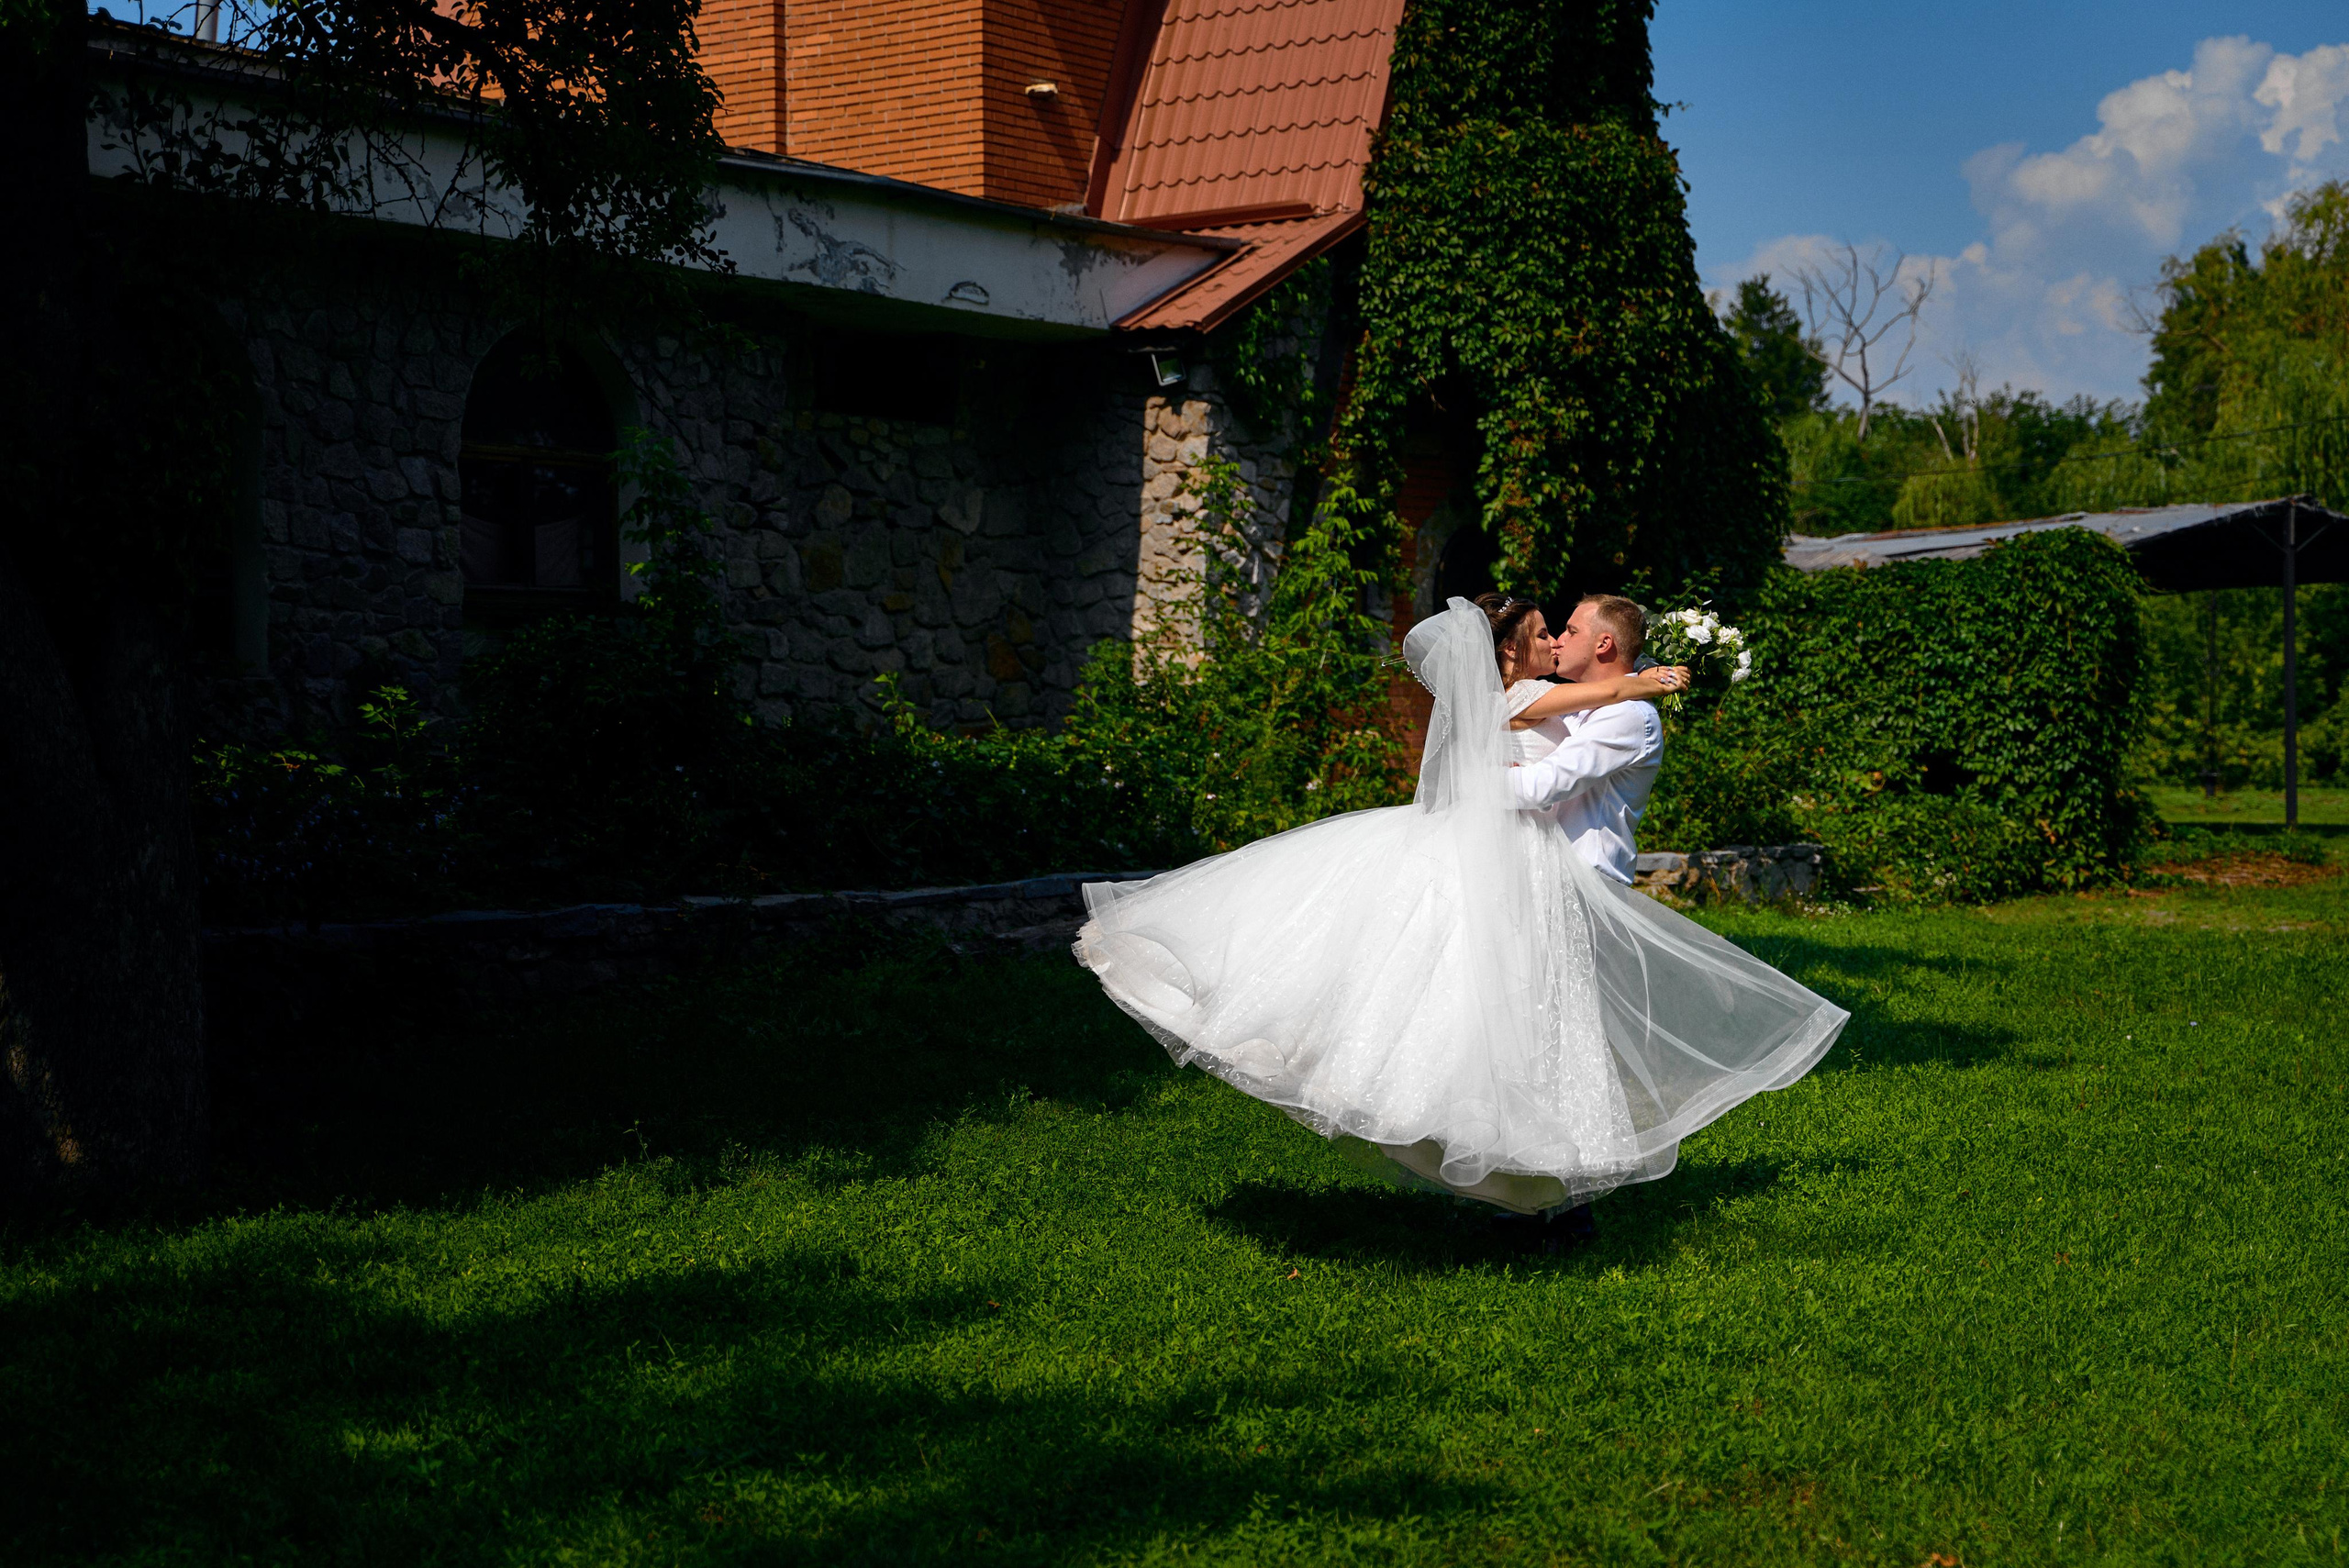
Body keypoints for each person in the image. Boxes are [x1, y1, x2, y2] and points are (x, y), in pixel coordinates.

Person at [1074, 596, 1847, 1242]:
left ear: (1601, 643)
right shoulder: (1551, 699)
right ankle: (1536, 1186)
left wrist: (1564, 729)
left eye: (1567, 630)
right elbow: (1539, 755)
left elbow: (1546, 775)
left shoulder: (1616, 713)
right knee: (1497, 1018)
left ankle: (1548, 1190)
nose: (1558, 640)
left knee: (1539, 1027)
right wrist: (1605, 700)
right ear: (1512, 650)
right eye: (1547, 632)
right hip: (1515, 871)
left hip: (1560, 879)